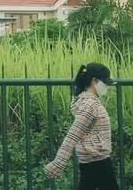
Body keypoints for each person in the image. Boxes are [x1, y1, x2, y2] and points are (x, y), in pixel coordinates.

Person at [44, 61, 119, 190]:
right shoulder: (90, 105)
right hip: (97, 160)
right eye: (105, 83)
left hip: (92, 160)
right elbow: (73, 134)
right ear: (94, 81)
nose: (106, 86)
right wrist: (58, 163)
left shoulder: (87, 101)